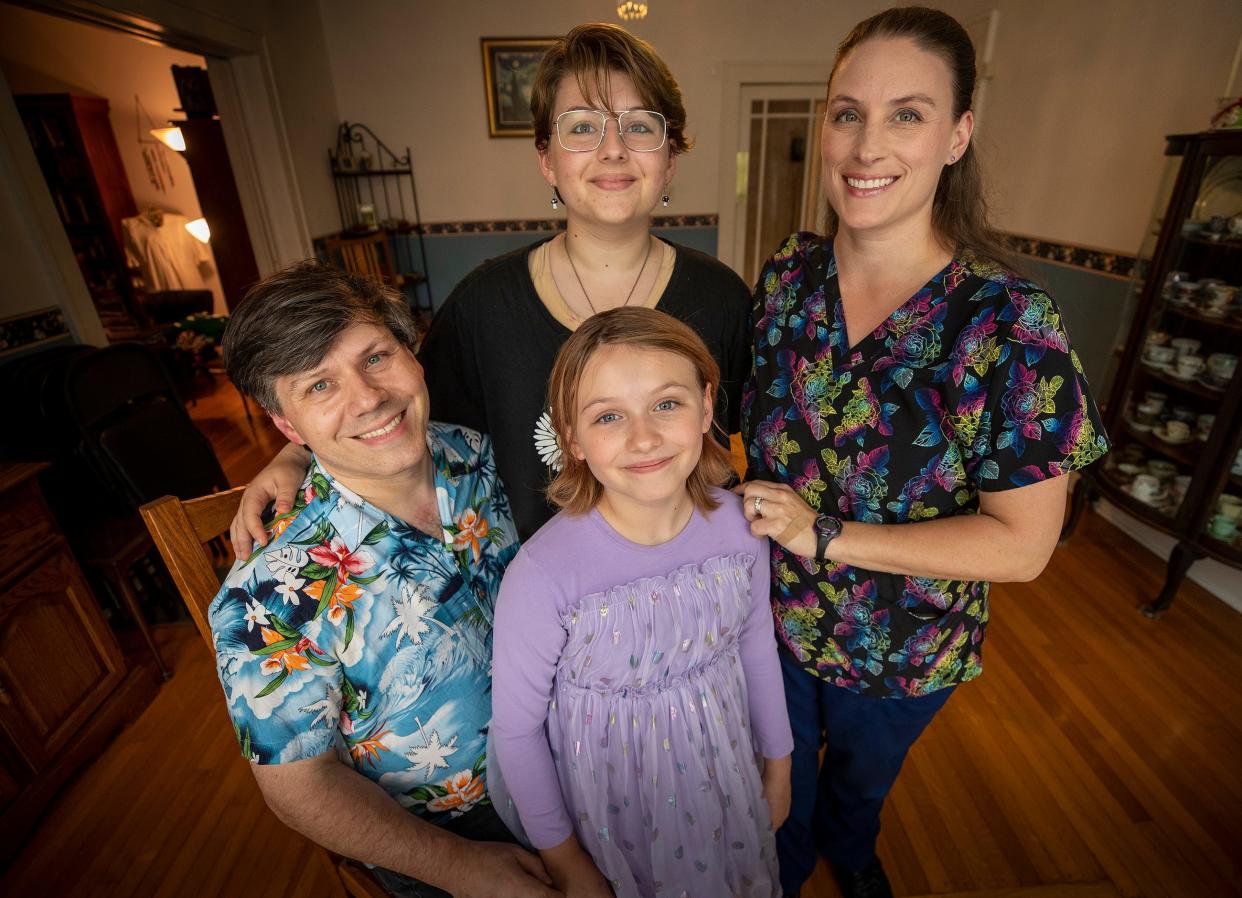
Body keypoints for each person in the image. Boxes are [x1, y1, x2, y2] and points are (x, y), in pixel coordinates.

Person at [737, 8, 1110, 898]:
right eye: (847, 113)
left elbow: (1021, 546)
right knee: (767, 801)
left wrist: (823, 534)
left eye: (907, 114)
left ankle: (854, 855)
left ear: (958, 135)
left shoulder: (1009, 324)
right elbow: (758, 438)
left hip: (902, 649)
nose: (867, 146)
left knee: (857, 794)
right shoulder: (789, 274)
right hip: (764, 623)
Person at [229, 22, 752, 554]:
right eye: (581, 127)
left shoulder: (722, 299)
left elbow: (760, 442)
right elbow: (397, 418)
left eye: (640, 127)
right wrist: (297, 454)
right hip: (539, 606)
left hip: (700, 593)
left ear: (670, 159)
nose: (613, 148)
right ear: (547, 158)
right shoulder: (483, 307)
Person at [210, 261, 559, 898]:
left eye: (376, 356)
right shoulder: (266, 597)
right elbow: (300, 785)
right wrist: (462, 868)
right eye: (319, 386)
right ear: (288, 427)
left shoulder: (482, 455)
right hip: (455, 833)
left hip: (572, 761)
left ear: (412, 354)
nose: (369, 398)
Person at [490, 308, 793, 898]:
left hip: (724, 774)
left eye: (667, 404)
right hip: (612, 805)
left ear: (707, 407)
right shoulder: (543, 575)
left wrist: (779, 767)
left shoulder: (741, 528)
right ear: (572, 438)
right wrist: (567, 862)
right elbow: (517, 732)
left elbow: (757, 649)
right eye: (609, 416)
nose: (644, 437)